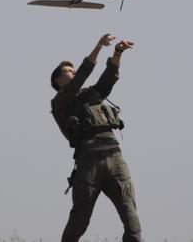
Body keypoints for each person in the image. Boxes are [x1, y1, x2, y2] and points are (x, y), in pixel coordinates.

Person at [50, 34, 141, 242]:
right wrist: (98, 47)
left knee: (132, 221)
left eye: (73, 70)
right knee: (79, 221)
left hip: (115, 156)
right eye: (68, 71)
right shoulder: (60, 102)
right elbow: (82, 76)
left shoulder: (91, 94)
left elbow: (109, 78)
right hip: (88, 161)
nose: (73, 73)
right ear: (58, 81)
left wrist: (117, 53)